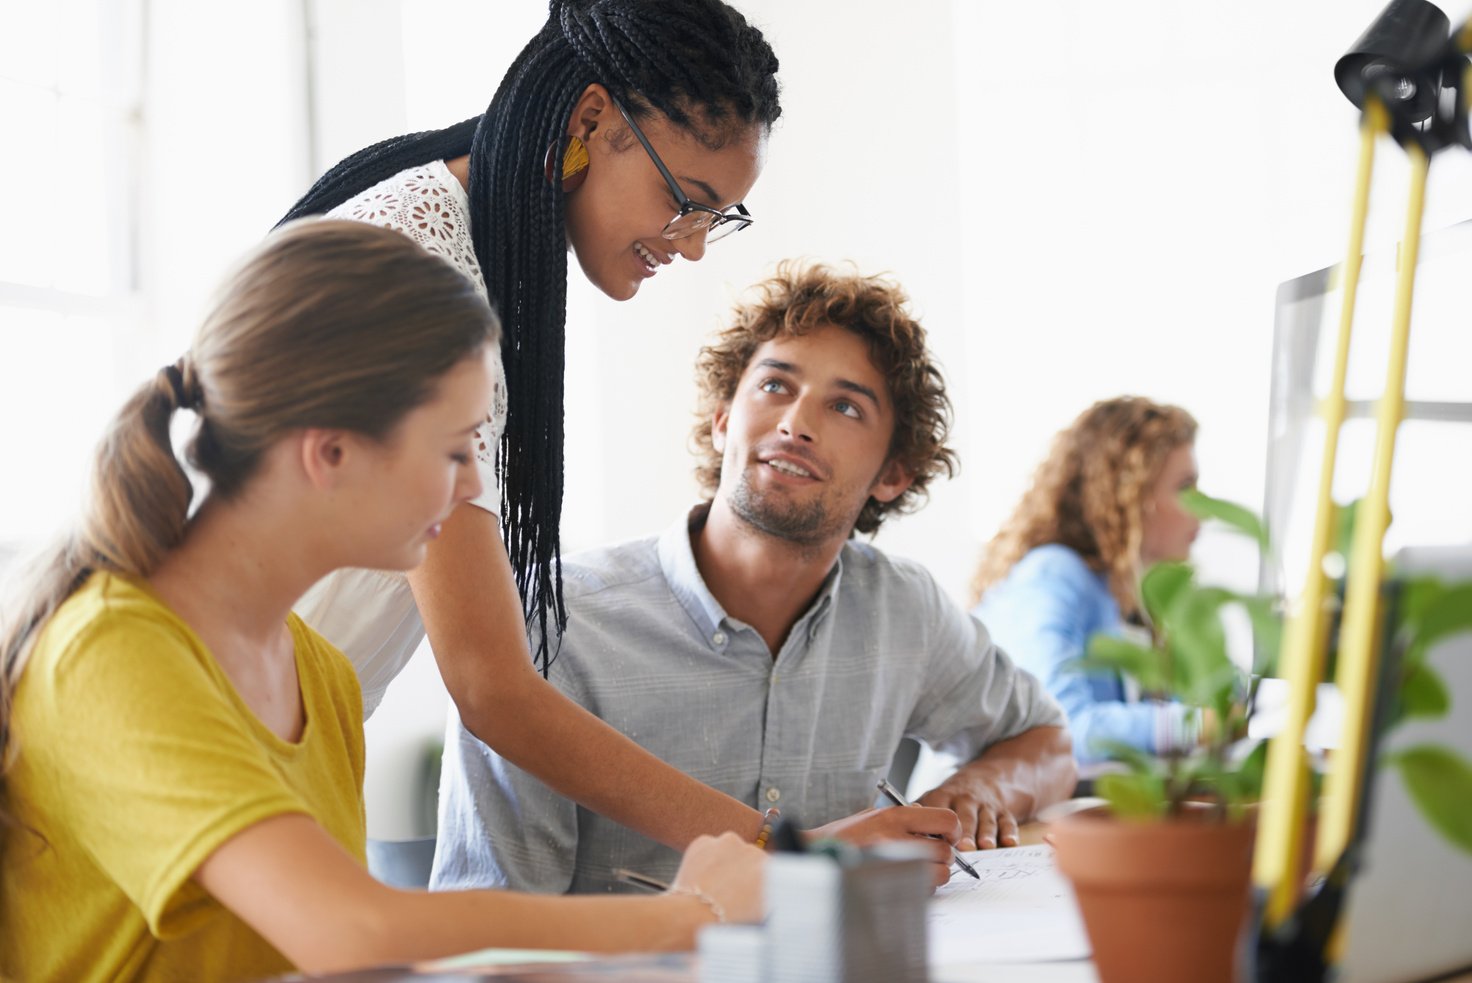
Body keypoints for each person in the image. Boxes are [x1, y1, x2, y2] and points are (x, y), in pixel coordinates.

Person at [0, 222, 763, 983]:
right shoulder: (110, 651)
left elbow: (353, 964)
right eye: (455, 448)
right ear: (330, 452)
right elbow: (354, 930)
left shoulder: (320, 675)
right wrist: (691, 912)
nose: (471, 486)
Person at [282, 0, 793, 851]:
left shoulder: (466, 245)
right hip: (186, 736)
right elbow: (490, 685)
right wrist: (782, 853)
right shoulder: (421, 275)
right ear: (592, 118)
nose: (695, 245)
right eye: (686, 201)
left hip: (272, 745)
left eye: (717, 218)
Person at [431, 262, 1077, 896]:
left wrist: (977, 791)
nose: (795, 423)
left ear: (893, 475)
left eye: (846, 407)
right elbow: (485, 948)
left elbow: (1047, 741)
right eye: (774, 386)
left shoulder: (904, 610)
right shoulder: (554, 626)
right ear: (722, 419)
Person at [965, 396, 1202, 765]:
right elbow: (1059, 732)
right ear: (1131, 493)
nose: (1203, 508)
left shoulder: (1127, 594)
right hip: (968, 817)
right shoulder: (1054, 574)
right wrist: (1198, 724)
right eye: (1185, 487)